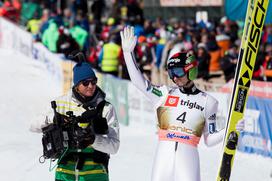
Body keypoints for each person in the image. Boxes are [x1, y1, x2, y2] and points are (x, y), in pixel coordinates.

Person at [120, 26, 244, 181]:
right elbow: (139, 82)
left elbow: (210, 140)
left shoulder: (209, 102)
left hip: (188, 158)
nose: (174, 78)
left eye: (178, 73)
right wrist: (127, 53)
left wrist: (229, 129)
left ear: (191, 71)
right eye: (171, 74)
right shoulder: (164, 94)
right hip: (163, 157)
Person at [31, 61, 120, 181]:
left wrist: (93, 140)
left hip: (96, 175)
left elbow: (114, 146)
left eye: (93, 81)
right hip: (65, 174)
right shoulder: (60, 104)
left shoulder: (106, 108)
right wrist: (53, 119)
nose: (90, 86)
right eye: (85, 82)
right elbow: (33, 125)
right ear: (77, 85)